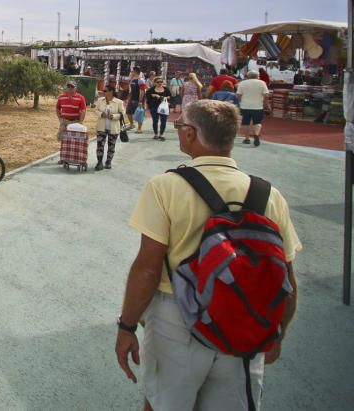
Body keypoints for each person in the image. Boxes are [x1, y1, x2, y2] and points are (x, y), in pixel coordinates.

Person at [115, 100, 301, 410]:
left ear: (190, 134)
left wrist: (127, 326)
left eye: (179, 127)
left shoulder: (166, 187)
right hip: (246, 319)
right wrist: (276, 333)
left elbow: (147, 270)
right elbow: (287, 278)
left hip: (177, 318)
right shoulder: (269, 195)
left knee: (164, 404)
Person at [94, 86, 125, 171]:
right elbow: (95, 110)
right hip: (101, 127)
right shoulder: (100, 100)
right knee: (100, 145)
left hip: (114, 128)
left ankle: (108, 162)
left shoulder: (119, 102)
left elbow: (122, 113)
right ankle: (99, 162)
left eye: (105, 91)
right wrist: (101, 114)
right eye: (103, 91)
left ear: (111, 92)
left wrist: (113, 116)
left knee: (111, 146)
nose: (104, 92)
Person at [237, 70, 271, 146]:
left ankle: (247, 138)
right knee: (257, 122)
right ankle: (256, 134)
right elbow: (266, 95)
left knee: (245, 123)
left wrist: (240, 103)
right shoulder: (262, 83)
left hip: (245, 106)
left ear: (247, 76)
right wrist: (267, 104)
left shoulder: (242, 83)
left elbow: (238, 95)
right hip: (258, 106)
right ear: (257, 76)